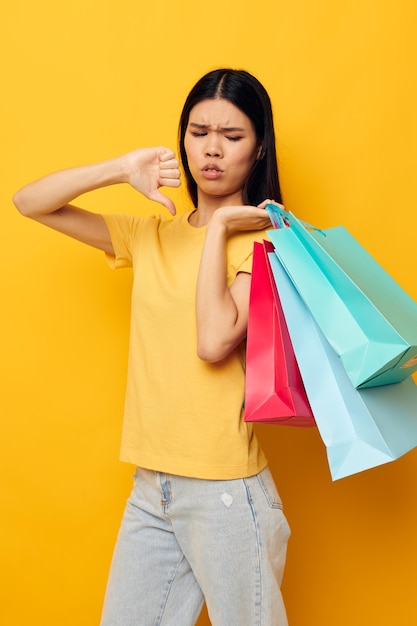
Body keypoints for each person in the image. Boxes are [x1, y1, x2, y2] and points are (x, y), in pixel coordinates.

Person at [13, 68, 291, 626]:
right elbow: (30, 202)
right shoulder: (151, 233)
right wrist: (119, 169)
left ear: (259, 148)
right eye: (198, 131)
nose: (211, 150)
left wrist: (218, 230)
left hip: (226, 493)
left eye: (232, 137)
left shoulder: (265, 240)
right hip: (152, 487)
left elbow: (213, 341)